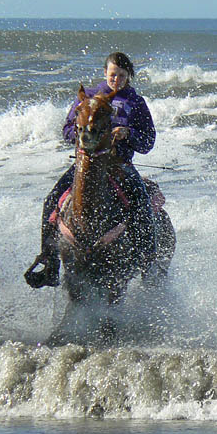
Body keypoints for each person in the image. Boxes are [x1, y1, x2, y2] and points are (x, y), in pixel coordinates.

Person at [24, 52, 157, 288]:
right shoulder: (87, 99)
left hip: (120, 165)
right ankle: (49, 263)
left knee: (142, 205)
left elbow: (148, 141)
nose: (117, 79)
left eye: (122, 75)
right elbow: (67, 130)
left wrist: (128, 134)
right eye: (113, 74)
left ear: (129, 76)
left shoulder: (136, 102)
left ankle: (148, 261)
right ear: (105, 72)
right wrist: (83, 133)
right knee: (50, 201)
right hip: (86, 164)